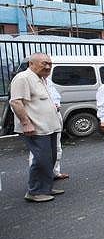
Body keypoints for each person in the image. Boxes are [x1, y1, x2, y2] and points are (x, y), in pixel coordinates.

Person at [9, 53, 64, 202]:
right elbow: (16, 102)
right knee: (41, 160)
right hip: (36, 128)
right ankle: (34, 192)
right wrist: (26, 123)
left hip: (49, 127)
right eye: (44, 63)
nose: (48, 67)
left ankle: (45, 188)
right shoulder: (23, 78)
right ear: (31, 64)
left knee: (50, 159)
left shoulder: (42, 79)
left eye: (50, 64)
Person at [27, 76, 68, 181]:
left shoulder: (47, 81)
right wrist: (26, 122)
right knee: (39, 150)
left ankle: (54, 172)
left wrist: (57, 105)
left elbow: (56, 97)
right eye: (45, 67)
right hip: (39, 119)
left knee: (56, 147)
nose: (47, 69)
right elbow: (17, 103)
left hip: (54, 116)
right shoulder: (27, 80)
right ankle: (38, 178)